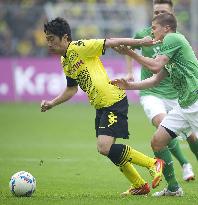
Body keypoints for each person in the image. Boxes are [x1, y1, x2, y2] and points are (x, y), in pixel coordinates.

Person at [41, 17, 164, 196]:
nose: (49, 43)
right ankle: (139, 185)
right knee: (108, 150)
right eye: (47, 39)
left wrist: (140, 42)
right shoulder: (65, 61)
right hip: (100, 105)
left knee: (104, 147)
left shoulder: (80, 47)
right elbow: (71, 89)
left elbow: (111, 42)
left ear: (65, 38)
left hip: (113, 101)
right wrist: (52, 103)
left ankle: (153, 163)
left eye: (52, 38)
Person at [112, 12, 198, 196]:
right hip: (184, 106)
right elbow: (155, 80)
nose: (152, 32)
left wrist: (129, 52)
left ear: (166, 28)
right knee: (157, 142)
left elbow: (154, 66)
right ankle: (174, 188)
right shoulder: (169, 52)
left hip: (196, 101)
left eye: (154, 28)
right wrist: (129, 86)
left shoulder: (173, 38)